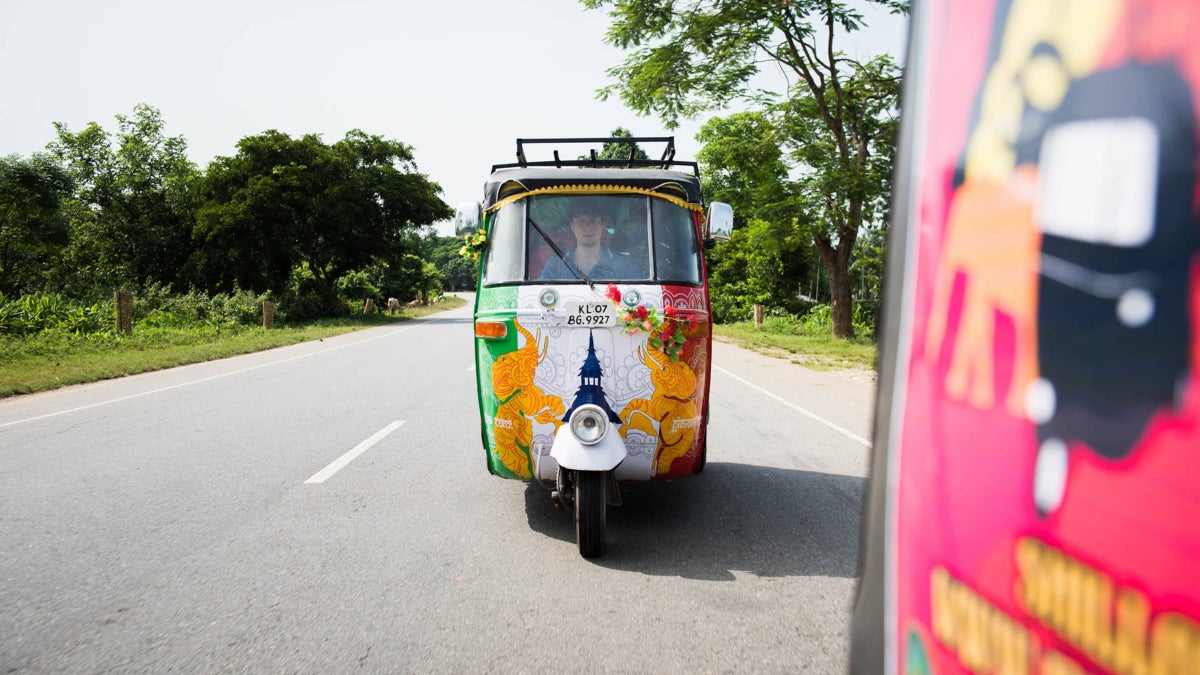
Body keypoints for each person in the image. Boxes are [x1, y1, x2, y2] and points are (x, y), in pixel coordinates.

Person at [539, 200, 644, 280]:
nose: (588, 227)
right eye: (581, 222)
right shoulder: (554, 266)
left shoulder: (625, 264)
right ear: (572, 227)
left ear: (602, 225)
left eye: (593, 221)